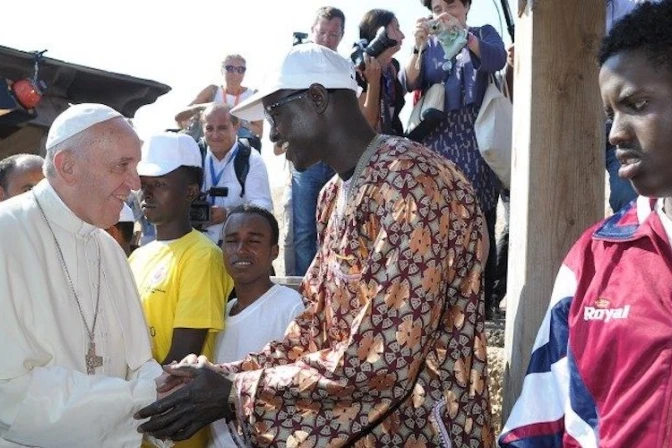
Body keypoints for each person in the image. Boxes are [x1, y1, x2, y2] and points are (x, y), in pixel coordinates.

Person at [136, 43, 493, 447]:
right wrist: (225, 375)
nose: (272, 134)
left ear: (317, 98)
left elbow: (383, 360)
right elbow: (315, 329)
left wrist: (237, 392)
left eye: (276, 113)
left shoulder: (413, 182)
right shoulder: (331, 196)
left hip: (425, 431)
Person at [500, 2, 672, 446]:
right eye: (610, 115)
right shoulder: (594, 257)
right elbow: (536, 425)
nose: (615, 134)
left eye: (636, 104)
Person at [0, 103, 167, 447]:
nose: (135, 184)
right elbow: (10, 392)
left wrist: (168, 390)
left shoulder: (109, 249)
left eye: (135, 167)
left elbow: (140, 363)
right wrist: (141, 397)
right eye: (122, 166)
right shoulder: (7, 233)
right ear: (68, 166)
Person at [403, 0, 506, 317]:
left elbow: (497, 59)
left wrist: (464, 35)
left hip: (475, 135)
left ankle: (482, 300)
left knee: (479, 216)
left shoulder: (482, 32)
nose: (444, 11)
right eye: (437, 6)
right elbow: (411, 82)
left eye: (452, 4)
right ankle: (441, 299)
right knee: (439, 219)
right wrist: (418, 46)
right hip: (437, 137)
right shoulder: (429, 41)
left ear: (467, 6)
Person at [129, 132, 232, 448]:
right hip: (134, 418)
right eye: (144, 183)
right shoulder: (137, 256)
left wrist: (123, 398)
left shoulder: (203, 256)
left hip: (171, 426)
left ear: (190, 190)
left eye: (159, 184)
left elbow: (181, 358)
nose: (147, 192)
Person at [209, 205, 305, 448]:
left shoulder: (290, 306)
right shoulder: (219, 311)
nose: (241, 250)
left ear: (274, 251)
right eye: (232, 241)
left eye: (254, 241)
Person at [288, 6, 346, 276]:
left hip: (336, 159)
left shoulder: (345, 68)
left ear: (342, 36)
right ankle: (304, 294)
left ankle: (330, 291)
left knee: (337, 228)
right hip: (306, 159)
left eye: (333, 33)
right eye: (321, 32)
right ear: (312, 32)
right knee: (303, 232)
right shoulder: (294, 64)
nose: (326, 38)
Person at [199, 103, 273, 245]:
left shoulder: (251, 159)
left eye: (222, 128)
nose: (215, 135)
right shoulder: (195, 156)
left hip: (236, 244)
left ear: (236, 126)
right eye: (209, 128)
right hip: (199, 242)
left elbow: (263, 207)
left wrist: (228, 213)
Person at [175, 54, 263, 150]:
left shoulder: (253, 95)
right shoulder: (212, 91)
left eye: (241, 69)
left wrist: (240, 122)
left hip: (237, 148)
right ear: (222, 70)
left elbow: (258, 132)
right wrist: (203, 108)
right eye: (230, 68)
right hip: (208, 145)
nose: (235, 73)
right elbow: (180, 117)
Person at [356, 9, 407, 135]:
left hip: (393, 140)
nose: (402, 35)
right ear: (380, 32)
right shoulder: (359, 70)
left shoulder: (393, 67)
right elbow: (366, 124)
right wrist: (373, 82)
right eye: (397, 28)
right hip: (369, 147)